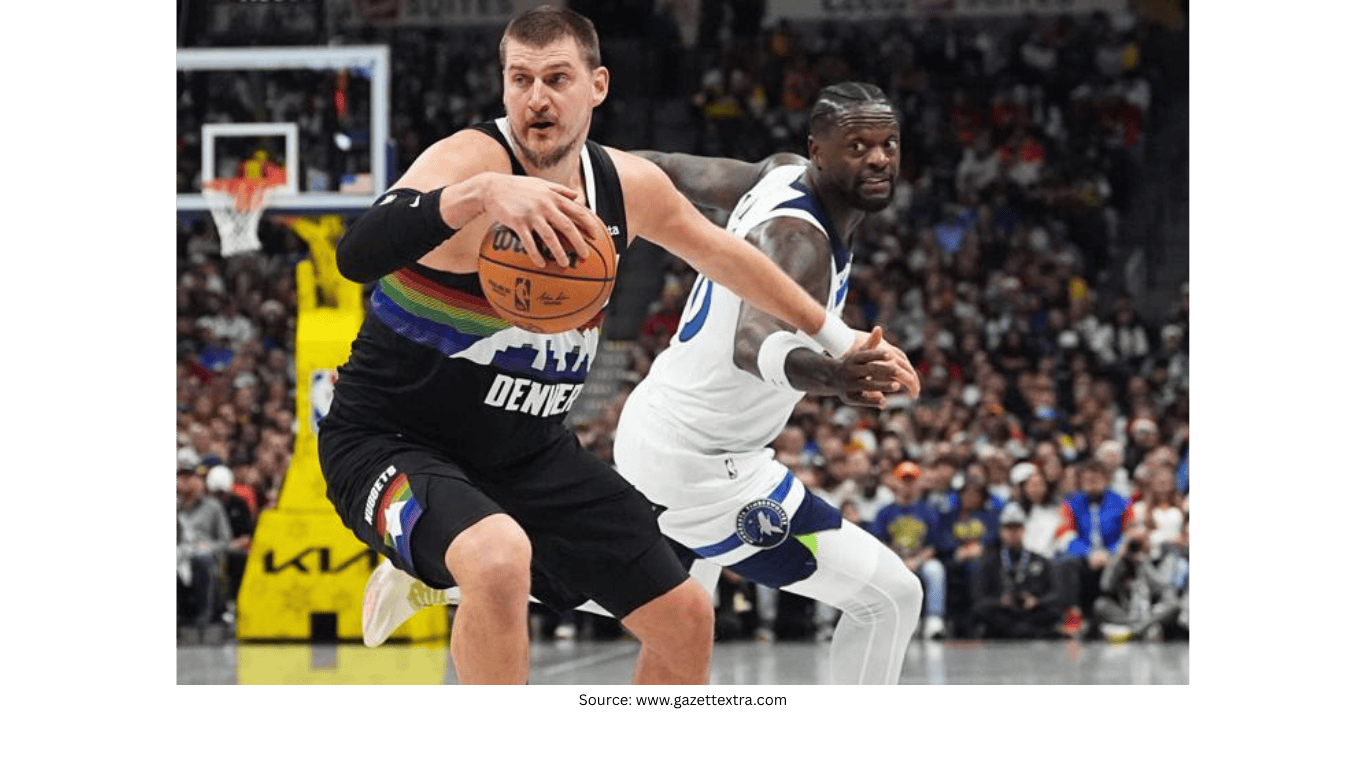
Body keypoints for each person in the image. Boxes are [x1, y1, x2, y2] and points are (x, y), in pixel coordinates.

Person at [322, 8, 913, 685]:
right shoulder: (470, 160)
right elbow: (357, 254)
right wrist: (477, 195)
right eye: (520, 80)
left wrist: (841, 336)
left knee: (686, 616)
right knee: (497, 557)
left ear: (596, 85)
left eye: (556, 78)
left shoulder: (623, 185)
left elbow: (727, 256)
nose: (536, 98)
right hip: (390, 440)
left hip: (527, 452)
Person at [971, 506, 1060, 639]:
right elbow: (979, 599)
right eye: (1009, 529)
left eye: (1017, 528)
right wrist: (1001, 601)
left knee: (1053, 611)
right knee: (982, 611)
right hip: (1003, 614)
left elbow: (1055, 594)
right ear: (1001, 532)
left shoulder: (1040, 561)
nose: (1013, 533)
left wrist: (1036, 601)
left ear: (1024, 530)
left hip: (1032, 613)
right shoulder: (990, 563)